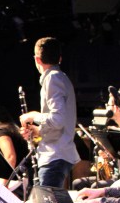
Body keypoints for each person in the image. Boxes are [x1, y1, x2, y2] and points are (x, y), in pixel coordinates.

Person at [20, 37, 80, 188]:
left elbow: (57, 119)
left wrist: (32, 115)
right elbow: (58, 123)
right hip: (55, 154)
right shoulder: (60, 77)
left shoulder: (53, 78)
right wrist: (37, 131)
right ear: (60, 58)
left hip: (55, 155)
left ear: (37, 59)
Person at [0, 102, 29, 171]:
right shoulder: (13, 130)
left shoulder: (1, 133)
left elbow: (10, 157)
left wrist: (5, 178)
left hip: (14, 179)